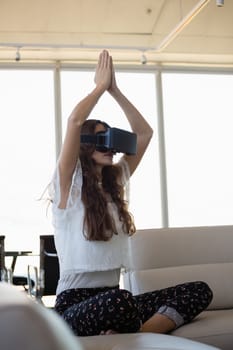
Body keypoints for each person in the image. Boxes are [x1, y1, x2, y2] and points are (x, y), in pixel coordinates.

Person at [49, 50, 213, 336]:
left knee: (198, 291)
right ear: (85, 146)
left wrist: (116, 91)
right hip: (74, 306)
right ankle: (133, 333)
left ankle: (137, 336)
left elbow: (145, 134)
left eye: (112, 141)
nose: (111, 148)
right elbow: (75, 122)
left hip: (114, 299)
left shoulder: (115, 182)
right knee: (120, 301)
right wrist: (99, 88)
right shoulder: (68, 187)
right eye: (102, 140)